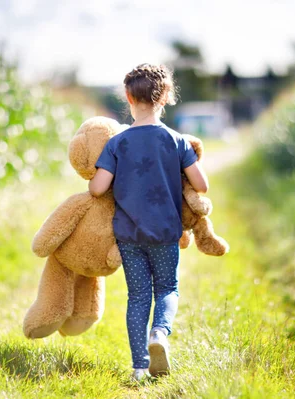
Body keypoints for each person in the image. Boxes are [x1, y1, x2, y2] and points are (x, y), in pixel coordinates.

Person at [88, 63, 209, 381]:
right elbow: (202, 185)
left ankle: (140, 367)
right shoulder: (176, 140)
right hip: (166, 232)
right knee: (167, 288)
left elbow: (98, 187)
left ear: (127, 97)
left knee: (138, 296)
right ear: (166, 97)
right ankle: (160, 333)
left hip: (129, 235)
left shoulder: (117, 143)